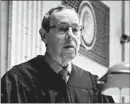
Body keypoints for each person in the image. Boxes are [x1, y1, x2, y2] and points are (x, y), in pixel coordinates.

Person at [1, 5, 114, 103]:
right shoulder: (18, 80)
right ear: (44, 35)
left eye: (75, 29)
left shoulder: (92, 85)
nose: (71, 35)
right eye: (62, 28)